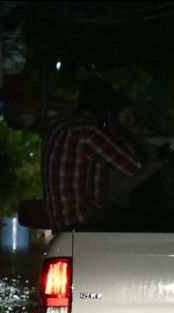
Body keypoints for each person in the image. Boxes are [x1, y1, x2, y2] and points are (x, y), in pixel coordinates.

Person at [41, 79, 145, 232]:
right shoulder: (87, 132)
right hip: (83, 221)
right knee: (150, 224)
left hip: (64, 224)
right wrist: (119, 129)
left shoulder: (58, 129)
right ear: (107, 110)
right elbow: (134, 166)